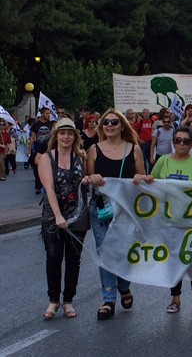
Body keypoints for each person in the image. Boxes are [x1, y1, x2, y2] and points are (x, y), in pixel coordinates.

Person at [138, 126, 192, 313]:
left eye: (185, 141)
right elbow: (152, 184)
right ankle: (175, 298)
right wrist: (145, 179)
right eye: (177, 140)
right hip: (169, 221)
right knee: (174, 260)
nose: (181, 144)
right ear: (172, 142)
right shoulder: (163, 162)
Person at [84, 109, 146, 320]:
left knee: (124, 251)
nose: (110, 125)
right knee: (105, 252)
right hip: (101, 207)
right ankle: (108, 299)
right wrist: (92, 177)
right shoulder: (93, 149)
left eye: (114, 122)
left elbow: (143, 177)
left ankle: (124, 285)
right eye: (106, 122)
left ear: (122, 126)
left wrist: (140, 177)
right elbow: (87, 176)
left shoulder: (134, 149)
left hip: (126, 209)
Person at [38, 118, 89, 320]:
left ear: (75, 136)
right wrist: (58, 215)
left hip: (77, 213)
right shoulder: (46, 158)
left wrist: (88, 178)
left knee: (74, 260)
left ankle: (68, 300)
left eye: (69, 133)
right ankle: (53, 300)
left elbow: (90, 178)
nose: (66, 137)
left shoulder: (81, 157)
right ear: (56, 136)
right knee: (53, 258)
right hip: (53, 215)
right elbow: (48, 188)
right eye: (62, 133)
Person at [29, 108, 55, 194]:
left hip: (48, 148)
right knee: (37, 167)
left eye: (49, 113)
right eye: (47, 113)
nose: (48, 115)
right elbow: (32, 137)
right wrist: (29, 149)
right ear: (42, 114)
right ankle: (38, 186)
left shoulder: (51, 124)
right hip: (38, 148)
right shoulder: (36, 125)